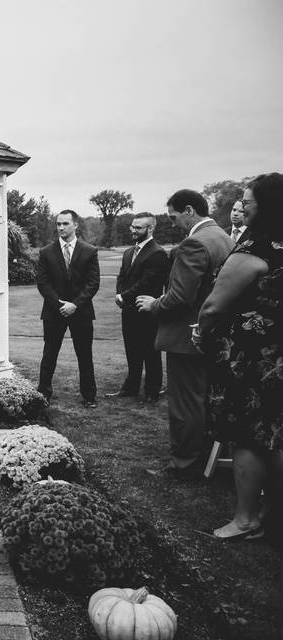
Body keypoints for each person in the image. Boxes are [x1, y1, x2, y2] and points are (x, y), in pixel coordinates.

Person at [196, 173, 283, 540]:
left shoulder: (255, 251)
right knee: (277, 434)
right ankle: (274, 515)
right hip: (278, 356)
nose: (242, 207)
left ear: (265, 207)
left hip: (249, 359)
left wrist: (202, 331)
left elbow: (214, 305)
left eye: (247, 202)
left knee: (247, 436)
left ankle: (246, 518)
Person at [136, 189, 233, 478]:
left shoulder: (194, 243)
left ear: (189, 210)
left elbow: (180, 297)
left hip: (186, 337)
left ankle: (185, 464)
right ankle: (204, 457)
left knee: (185, 403)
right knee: (204, 399)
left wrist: (154, 304)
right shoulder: (224, 238)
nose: (174, 223)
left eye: (174, 216)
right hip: (214, 333)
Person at [36, 210, 101, 408]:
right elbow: (43, 283)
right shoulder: (46, 252)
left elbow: (93, 283)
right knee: (49, 354)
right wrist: (59, 305)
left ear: (75, 225)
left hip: (81, 312)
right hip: (54, 312)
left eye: (65, 223)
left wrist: (75, 305)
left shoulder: (89, 251)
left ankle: (89, 396)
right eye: (58, 224)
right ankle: (43, 393)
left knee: (84, 355)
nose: (61, 227)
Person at [108, 212, 169, 403]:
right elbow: (122, 277)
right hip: (129, 311)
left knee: (151, 353)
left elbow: (146, 282)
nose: (133, 230)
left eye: (138, 227)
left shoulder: (157, 253)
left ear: (150, 228)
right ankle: (131, 387)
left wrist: (123, 296)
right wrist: (120, 295)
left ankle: (152, 391)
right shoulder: (128, 252)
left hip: (147, 311)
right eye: (132, 227)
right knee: (132, 350)